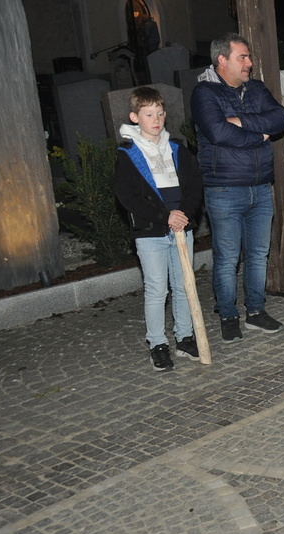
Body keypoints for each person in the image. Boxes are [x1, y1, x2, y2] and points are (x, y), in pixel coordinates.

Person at [192, 33, 284, 343]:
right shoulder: (204, 93)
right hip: (224, 189)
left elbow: (279, 119)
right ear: (222, 60)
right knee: (227, 258)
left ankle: (256, 311)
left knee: (258, 255)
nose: (250, 63)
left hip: (260, 187)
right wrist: (258, 134)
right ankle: (228, 315)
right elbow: (218, 132)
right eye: (242, 57)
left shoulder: (256, 88)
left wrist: (240, 121)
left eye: (249, 57)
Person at [115, 86, 203, 371]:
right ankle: (157, 344)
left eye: (160, 113)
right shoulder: (128, 154)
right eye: (149, 114)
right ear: (135, 117)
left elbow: (194, 186)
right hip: (151, 232)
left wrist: (183, 215)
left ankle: (184, 337)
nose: (156, 119)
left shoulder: (177, 149)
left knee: (184, 284)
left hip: (181, 228)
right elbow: (128, 197)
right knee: (156, 289)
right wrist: (165, 217)